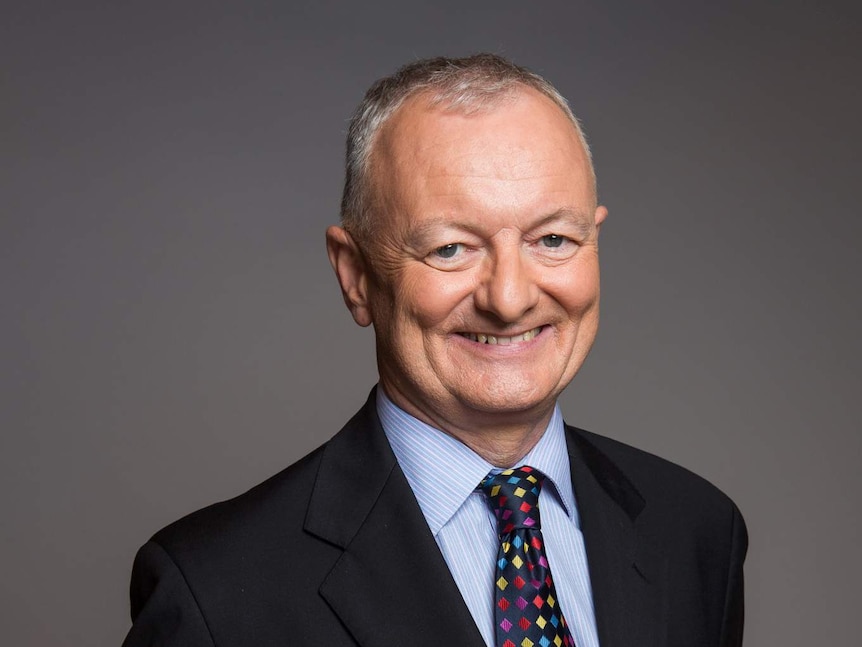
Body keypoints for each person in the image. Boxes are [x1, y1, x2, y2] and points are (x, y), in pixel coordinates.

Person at [122, 54, 747, 647]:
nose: (509, 299)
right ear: (356, 276)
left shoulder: (695, 531)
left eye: (552, 239)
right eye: (451, 248)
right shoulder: (215, 592)